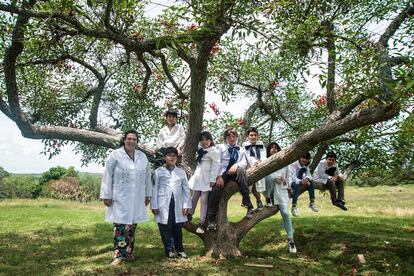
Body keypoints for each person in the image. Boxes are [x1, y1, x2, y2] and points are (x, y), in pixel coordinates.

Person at [100, 130, 152, 266]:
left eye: (134, 139)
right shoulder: (115, 155)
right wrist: (106, 195)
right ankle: (119, 255)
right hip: (120, 196)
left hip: (137, 197)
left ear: (137, 141)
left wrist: (148, 195)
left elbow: (147, 177)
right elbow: (107, 175)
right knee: (120, 226)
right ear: (124, 140)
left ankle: (129, 253)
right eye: (129, 138)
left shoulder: (142, 157)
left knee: (132, 226)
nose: (131, 141)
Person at [207, 128, 254, 231]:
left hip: (235, 171)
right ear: (225, 139)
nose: (232, 139)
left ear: (237, 137)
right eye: (229, 137)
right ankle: (211, 220)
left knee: (242, 172)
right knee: (216, 190)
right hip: (223, 172)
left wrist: (236, 165)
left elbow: (244, 162)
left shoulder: (240, 149)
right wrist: (218, 176)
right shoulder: (220, 147)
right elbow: (217, 162)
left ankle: (248, 204)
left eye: (234, 136)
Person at [151, 147, 192, 259]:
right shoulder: (158, 172)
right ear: (165, 158)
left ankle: (180, 249)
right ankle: (169, 250)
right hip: (163, 203)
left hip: (177, 204)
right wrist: (154, 205)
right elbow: (154, 189)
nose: (172, 157)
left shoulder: (181, 172)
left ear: (177, 158)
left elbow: (186, 190)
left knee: (177, 227)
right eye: (169, 155)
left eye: (174, 155)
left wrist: (186, 205)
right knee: (165, 227)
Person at [264, 142, 297, 253]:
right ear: (268, 151)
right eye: (271, 148)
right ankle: (268, 199)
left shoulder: (285, 163)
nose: (274, 149)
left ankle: (291, 240)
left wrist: (288, 188)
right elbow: (265, 176)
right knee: (269, 176)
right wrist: (276, 177)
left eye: (276, 148)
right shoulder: (266, 161)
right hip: (270, 190)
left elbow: (288, 178)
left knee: (286, 213)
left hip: (282, 190)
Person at [188, 131, 220, 234]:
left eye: (206, 139)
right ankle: (190, 214)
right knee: (194, 196)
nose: (204, 141)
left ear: (210, 140)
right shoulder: (200, 149)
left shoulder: (214, 151)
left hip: (207, 178)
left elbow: (216, 166)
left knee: (204, 199)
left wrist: (212, 179)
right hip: (198, 177)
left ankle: (201, 222)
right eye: (202, 140)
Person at [242, 127, 266, 210]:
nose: (253, 137)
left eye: (255, 135)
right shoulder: (245, 145)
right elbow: (247, 155)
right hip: (249, 166)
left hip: (260, 164)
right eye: (251, 135)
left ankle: (260, 201)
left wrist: (261, 161)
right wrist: (255, 162)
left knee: (257, 186)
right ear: (248, 136)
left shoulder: (261, 143)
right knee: (250, 186)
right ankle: (250, 205)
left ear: (258, 136)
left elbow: (263, 154)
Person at [289, 152, 319, 217]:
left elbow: (309, 175)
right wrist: (301, 181)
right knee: (297, 185)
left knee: (311, 182)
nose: (304, 160)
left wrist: (307, 179)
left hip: (300, 181)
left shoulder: (306, 166)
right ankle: (294, 206)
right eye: (303, 158)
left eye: (306, 159)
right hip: (291, 181)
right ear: (300, 157)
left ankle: (312, 203)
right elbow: (293, 177)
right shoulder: (294, 164)